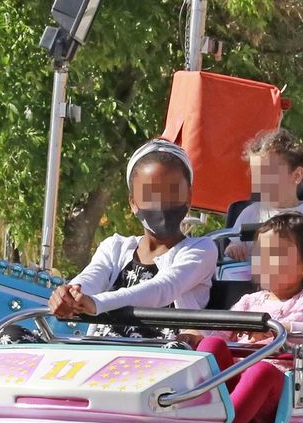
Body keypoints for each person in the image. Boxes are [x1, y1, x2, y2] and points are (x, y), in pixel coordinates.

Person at [49, 139, 219, 338]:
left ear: (189, 197)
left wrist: (97, 303)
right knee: (10, 333)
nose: (162, 203)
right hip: (100, 354)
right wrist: (71, 294)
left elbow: (162, 289)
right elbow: (92, 277)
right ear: (133, 202)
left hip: (163, 358)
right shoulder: (115, 247)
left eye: (173, 192)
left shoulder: (201, 250)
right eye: (150, 195)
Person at [194, 213, 303, 423]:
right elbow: (220, 332)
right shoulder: (250, 302)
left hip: (279, 393)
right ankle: (190, 413)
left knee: (262, 371)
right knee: (211, 346)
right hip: (235, 381)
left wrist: (283, 329)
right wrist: (198, 336)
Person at [224, 129, 303, 261]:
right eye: (257, 175)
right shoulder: (251, 214)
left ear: (297, 176)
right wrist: (234, 249)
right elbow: (233, 246)